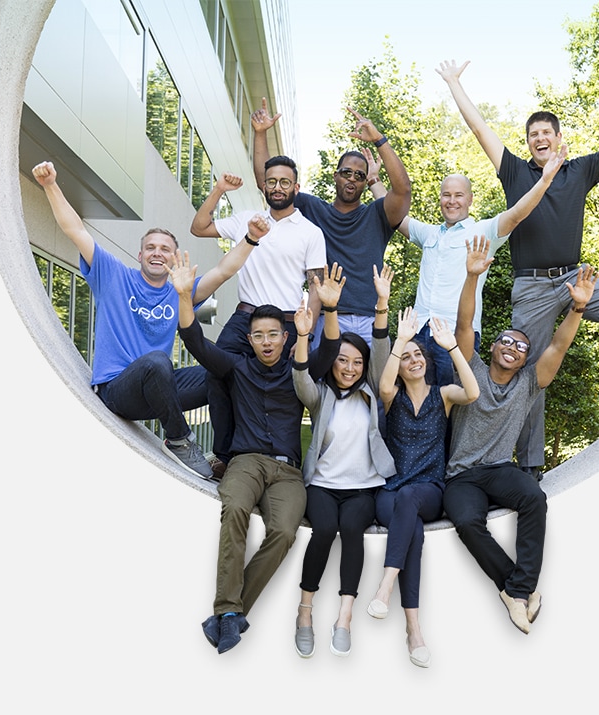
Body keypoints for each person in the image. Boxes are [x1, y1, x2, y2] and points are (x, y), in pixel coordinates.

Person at [438, 59, 599, 474]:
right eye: (532, 134)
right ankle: (530, 464)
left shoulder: (581, 170)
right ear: (528, 143)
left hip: (574, 277)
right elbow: (480, 128)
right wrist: (453, 83)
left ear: (557, 139)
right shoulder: (515, 171)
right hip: (531, 286)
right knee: (529, 370)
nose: (539, 138)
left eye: (545, 133)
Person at [30, 160, 264, 480]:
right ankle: (180, 440)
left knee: (223, 372)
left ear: (174, 257)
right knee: (156, 360)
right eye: (150, 248)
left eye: (165, 249)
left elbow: (225, 270)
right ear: (140, 255)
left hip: (160, 390)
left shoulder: (180, 291)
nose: (157, 253)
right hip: (117, 390)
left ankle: (226, 457)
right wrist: (50, 185)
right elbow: (76, 230)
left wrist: (250, 238)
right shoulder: (112, 275)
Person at [443, 236, 597, 635]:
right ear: (492, 347)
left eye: (521, 346)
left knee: (533, 498)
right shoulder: (470, 368)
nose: (513, 347)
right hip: (460, 474)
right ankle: (516, 589)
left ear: (526, 360)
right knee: (466, 521)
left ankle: (519, 590)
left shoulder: (530, 383)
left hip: (498, 469)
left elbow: (560, 345)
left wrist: (578, 306)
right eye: (506, 340)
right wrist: (471, 277)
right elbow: (463, 325)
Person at [165, 251, 306, 655]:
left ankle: (233, 611)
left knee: (283, 532)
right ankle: (229, 612)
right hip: (245, 462)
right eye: (259, 335)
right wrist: (184, 297)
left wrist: (324, 310)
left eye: (273, 334)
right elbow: (194, 341)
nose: (266, 341)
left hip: (288, 471)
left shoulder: (299, 369)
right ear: (250, 339)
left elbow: (330, 354)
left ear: (285, 337)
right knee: (235, 511)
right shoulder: (236, 367)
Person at [367, 144, 568, 386]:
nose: (452, 201)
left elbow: (516, 214)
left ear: (470, 199)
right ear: (440, 198)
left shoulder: (482, 231)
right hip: (418, 334)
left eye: (458, 195)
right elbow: (393, 211)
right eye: (446, 195)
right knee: (414, 404)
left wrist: (544, 182)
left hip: (455, 336)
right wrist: (373, 180)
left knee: (452, 409)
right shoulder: (429, 234)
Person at [189, 158, 327, 478]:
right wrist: (219, 190)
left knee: (288, 391)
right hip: (244, 318)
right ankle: (225, 456)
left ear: (296, 187)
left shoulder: (310, 232)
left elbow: (317, 289)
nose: (277, 187)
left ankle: (288, 463)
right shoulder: (245, 220)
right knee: (217, 374)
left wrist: (304, 336)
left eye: (284, 182)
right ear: (263, 186)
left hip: (288, 324)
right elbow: (199, 227)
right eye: (271, 181)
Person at [289, 263, 397, 659]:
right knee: (324, 530)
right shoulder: (320, 396)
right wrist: (304, 336)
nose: (349, 368)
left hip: (364, 486)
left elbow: (383, 350)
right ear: (332, 362)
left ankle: (344, 617)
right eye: (342, 360)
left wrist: (381, 303)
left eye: (357, 362)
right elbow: (300, 379)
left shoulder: (373, 392)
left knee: (352, 530)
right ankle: (305, 612)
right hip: (322, 485)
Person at [365, 305, 480, 668]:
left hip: (429, 489)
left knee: (412, 500)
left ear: (426, 361)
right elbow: (383, 383)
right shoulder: (392, 396)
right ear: (399, 364)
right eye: (407, 357)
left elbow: (473, 392)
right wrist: (399, 340)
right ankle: (414, 630)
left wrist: (451, 347)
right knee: (409, 525)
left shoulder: (443, 394)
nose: (413, 360)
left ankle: (384, 586)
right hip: (391, 492)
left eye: (418, 355)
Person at [250, 98, 411, 348]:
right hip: (325, 318)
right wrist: (260, 134)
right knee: (316, 386)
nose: (352, 179)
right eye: (346, 172)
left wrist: (379, 140)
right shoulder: (312, 209)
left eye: (359, 175)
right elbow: (269, 182)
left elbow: (402, 190)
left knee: (379, 387)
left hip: (371, 321)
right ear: (335, 176)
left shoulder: (378, 215)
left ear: (365, 181)